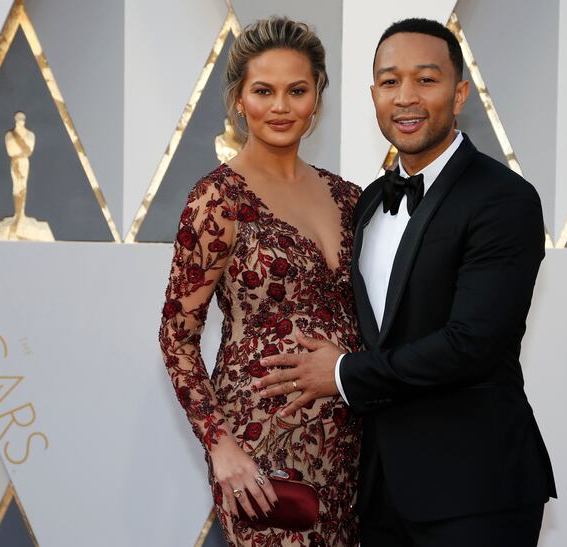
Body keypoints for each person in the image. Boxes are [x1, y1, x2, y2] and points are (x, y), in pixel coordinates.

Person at [256, 18, 556, 546]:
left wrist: (345, 373)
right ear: (373, 95)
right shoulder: (369, 200)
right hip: (377, 492)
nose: (406, 98)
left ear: (459, 92)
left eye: (426, 79)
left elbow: (475, 344)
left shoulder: (504, 199)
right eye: (390, 82)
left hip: (475, 490)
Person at [158, 17, 361, 546]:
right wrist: (220, 444)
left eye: (297, 90)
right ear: (238, 100)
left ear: (317, 96)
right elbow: (176, 337)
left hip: (352, 442)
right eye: (263, 91)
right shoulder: (217, 200)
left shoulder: (350, 197)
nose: (280, 106)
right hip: (260, 443)